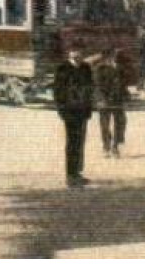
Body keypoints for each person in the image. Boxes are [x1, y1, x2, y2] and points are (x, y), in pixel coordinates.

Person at [54, 49, 94, 187]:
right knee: (72, 143)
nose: (78, 56)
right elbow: (58, 91)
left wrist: (89, 109)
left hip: (82, 111)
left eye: (80, 53)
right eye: (74, 53)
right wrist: (62, 111)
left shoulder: (85, 68)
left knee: (80, 142)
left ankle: (77, 172)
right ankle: (70, 175)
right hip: (70, 112)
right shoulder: (62, 69)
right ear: (70, 54)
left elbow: (90, 89)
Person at [95, 49, 130, 158]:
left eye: (116, 58)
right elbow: (98, 85)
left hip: (118, 100)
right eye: (113, 57)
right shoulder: (100, 68)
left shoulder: (121, 69)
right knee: (105, 125)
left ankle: (115, 146)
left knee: (119, 124)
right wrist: (101, 99)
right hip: (105, 100)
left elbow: (124, 85)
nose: (114, 59)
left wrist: (125, 99)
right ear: (108, 57)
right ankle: (106, 146)